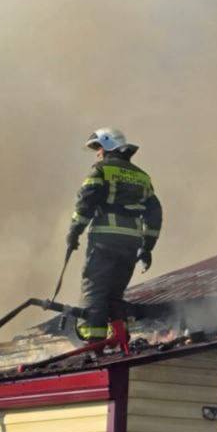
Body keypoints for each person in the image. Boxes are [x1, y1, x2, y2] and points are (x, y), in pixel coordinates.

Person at [66, 128, 162, 350]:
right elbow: (155, 214)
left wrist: (74, 233)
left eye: (98, 148)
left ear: (108, 147)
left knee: (95, 291)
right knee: (115, 294)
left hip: (104, 241)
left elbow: (85, 204)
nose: (97, 154)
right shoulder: (142, 177)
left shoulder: (100, 171)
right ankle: (120, 337)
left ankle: (94, 345)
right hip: (130, 245)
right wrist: (147, 248)